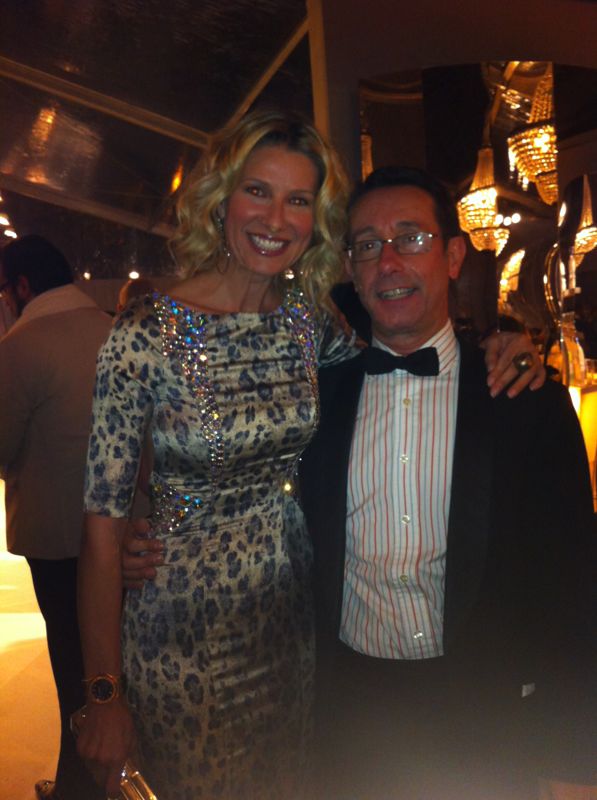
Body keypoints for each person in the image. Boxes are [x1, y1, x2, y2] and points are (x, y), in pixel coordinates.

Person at [76, 109, 357, 800]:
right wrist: (104, 693)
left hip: (288, 614)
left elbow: (390, 372)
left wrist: (494, 350)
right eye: (257, 191)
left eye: (298, 200)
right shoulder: (143, 333)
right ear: (221, 199)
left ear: (316, 218)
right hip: (181, 629)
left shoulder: (310, 319)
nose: (276, 219)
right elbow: (101, 534)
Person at [298, 167, 595, 799]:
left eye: (411, 238)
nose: (388, 262)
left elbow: (572, 576)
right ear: (351, 267)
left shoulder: (524, 398)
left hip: (485, 711)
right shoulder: (316, 400)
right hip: (351, 713)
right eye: (368, 245)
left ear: (454, 256)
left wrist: (569, 753)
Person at [0, 235, 111, 800]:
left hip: (57, 535)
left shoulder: (22, 345)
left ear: (22, 286)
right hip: (122, 534)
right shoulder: (112, 329)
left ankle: (78, 787)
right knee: (109, 665)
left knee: (73, 667)